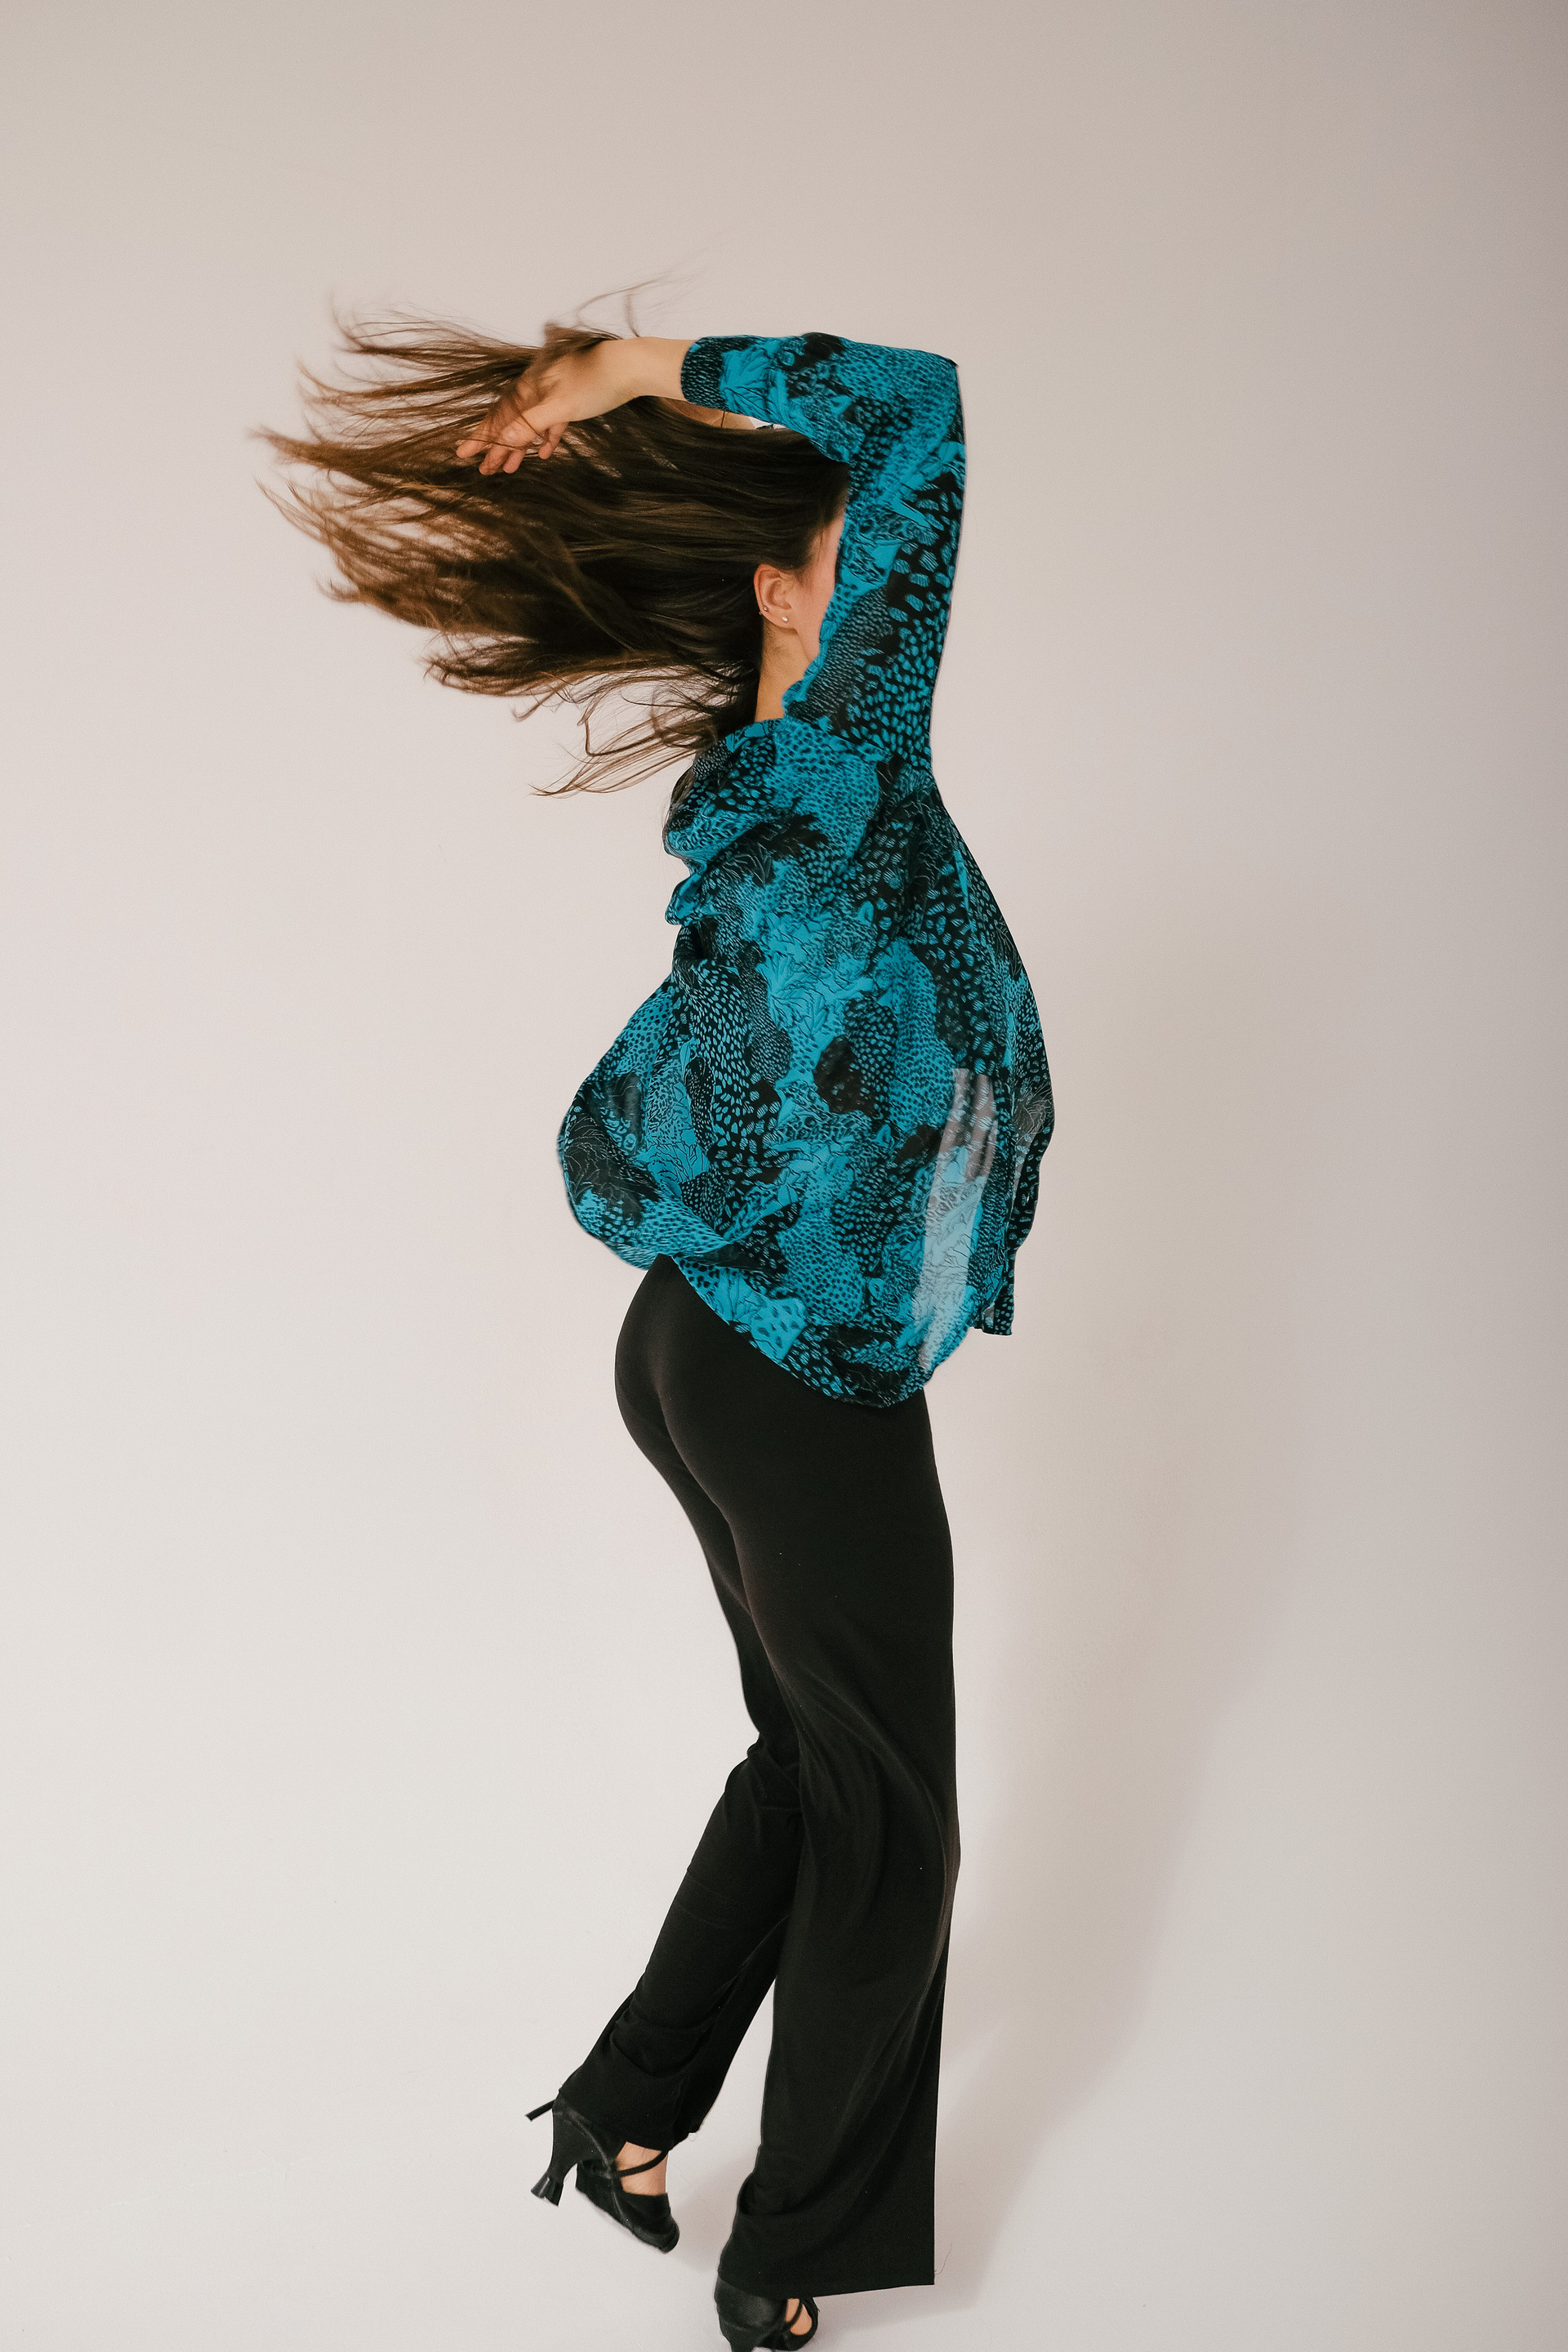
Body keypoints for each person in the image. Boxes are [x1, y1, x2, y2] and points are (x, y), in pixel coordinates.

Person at [264, 313, 1053, 2352]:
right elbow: (918, 404)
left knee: (815, 1764)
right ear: (795, 597)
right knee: (895, 1823)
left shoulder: (761, 819)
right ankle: (789, 2252)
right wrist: (630, 367)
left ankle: (620, 2112)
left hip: (701, 1351)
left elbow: (677, 1119)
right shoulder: (849, 759)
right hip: (789, 1376)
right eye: (857, 562)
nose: (897, 580)